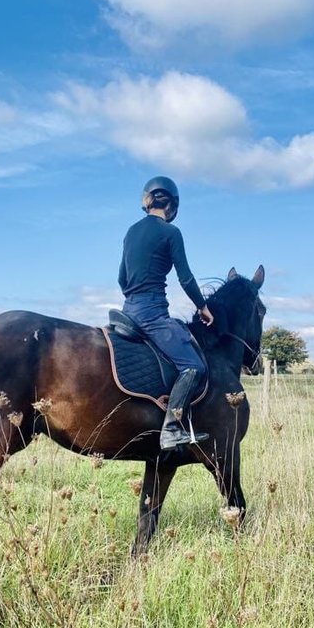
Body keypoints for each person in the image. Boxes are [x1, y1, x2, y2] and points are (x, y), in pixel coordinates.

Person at [118, 176, 214, 449]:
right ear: (172, 205)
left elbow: (121, 278)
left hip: (128, 309)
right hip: (152, 314)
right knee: (193, 366)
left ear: (146, 201)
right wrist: (202, 306)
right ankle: (171, 428)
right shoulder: (171, 233)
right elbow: (185, 278)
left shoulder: (130, 232)